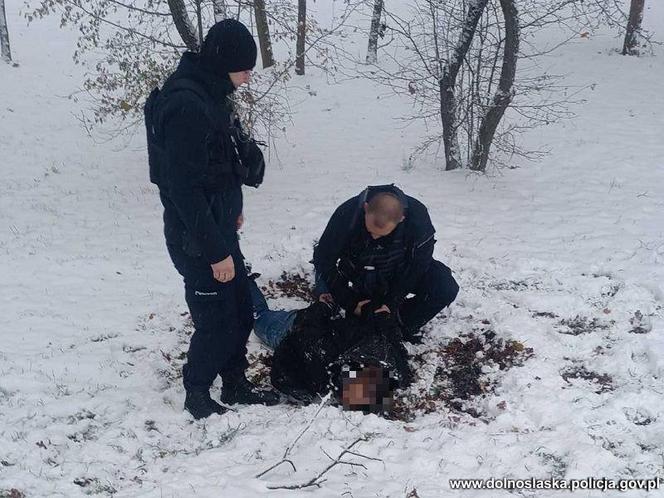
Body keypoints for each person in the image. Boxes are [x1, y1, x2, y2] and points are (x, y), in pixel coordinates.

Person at [144, 19, 278, 420]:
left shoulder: (211, 93)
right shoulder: (187, 105)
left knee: (239, 309)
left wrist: (231, 208)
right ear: (223, 64)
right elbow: (182, 190)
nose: (248, 77)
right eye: (244, 69)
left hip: (218, 228)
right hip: (197, 238)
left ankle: (236, 384)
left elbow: (215, 166)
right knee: (216, 319)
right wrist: (216, 252)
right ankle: (197, 393)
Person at [313, 184, 459, 342]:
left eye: (382, 234)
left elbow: (418, 265)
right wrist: (349, 301)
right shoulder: (347, 214)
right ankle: (332, 303)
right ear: (366, 207)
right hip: (356, 267)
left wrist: (391, 303)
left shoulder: (418, 220)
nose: (374, 237)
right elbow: (324, 257)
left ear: (401, 219)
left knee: (445, 287)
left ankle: (399, 324)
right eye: (370, 230)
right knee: (327, 291)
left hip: (398, 266)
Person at [248, 279, 411, 413]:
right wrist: (323, 308)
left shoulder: (388, 357)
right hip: (300, 327)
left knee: (262, 319)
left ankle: (246, 281)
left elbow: (285, 375)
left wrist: (324, 308)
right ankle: (244, 278)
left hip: (309, 330)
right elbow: (306, 331)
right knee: (262, 319)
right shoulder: (323, 352)